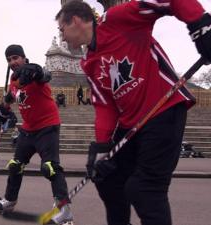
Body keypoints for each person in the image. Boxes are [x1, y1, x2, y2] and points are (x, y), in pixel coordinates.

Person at [56, 1, 210, 225]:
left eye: (61, 29)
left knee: (144, 190)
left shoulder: (118, 18)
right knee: (107, 179)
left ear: (76, 20)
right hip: (131, 124)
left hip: (163, 111)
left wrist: (201, 24)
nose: (61, 37)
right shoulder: (89, 61)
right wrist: (101, 149)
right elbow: (105, 107)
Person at [0, 44, 73, 225]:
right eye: (9, 59)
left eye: (15, 57)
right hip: (28, 130)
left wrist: (35, 70)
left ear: (23, 57)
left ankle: (64, 211)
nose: (12, 62)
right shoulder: (13, 83)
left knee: (50, 168)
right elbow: (7, 101)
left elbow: (45, 75)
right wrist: (1, 112)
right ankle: (10, 200)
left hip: (47, 127)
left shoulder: (34, 75)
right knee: (15, 165)